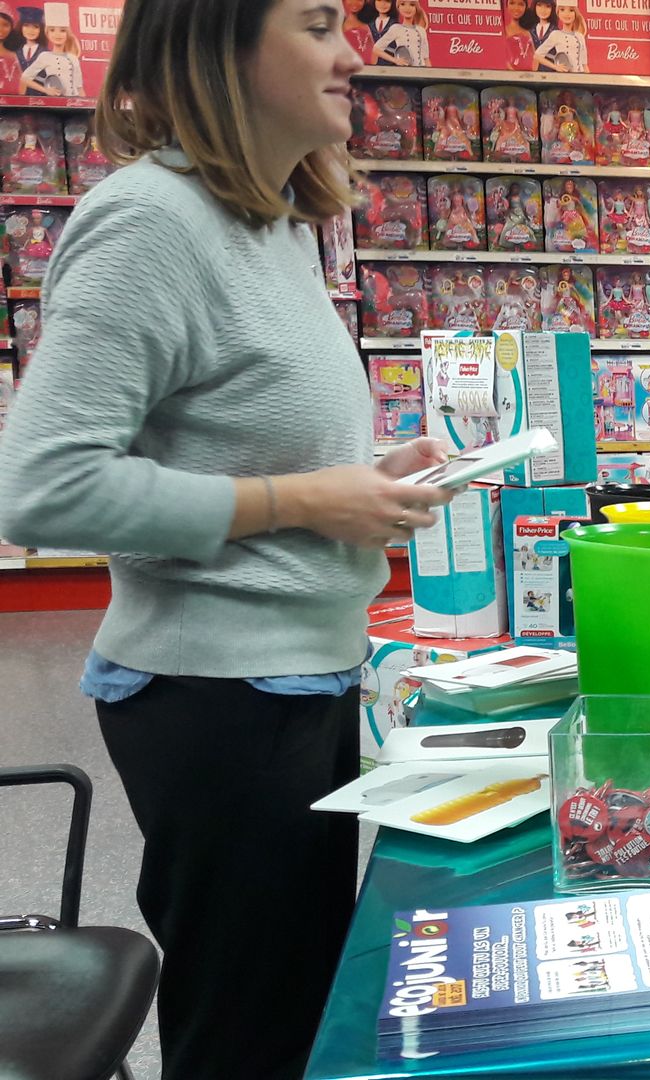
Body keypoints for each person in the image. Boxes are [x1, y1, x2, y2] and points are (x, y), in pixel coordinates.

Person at [0, 2, 456, 1076]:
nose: (355, 55)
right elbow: (41, 484)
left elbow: (243, 434)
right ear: (219, 46)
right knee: (250, 1033)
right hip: (219, 706)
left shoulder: (272, 226)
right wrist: (303, 502)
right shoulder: (152, 221)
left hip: (298, 684)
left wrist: (365, 478)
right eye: (316, 26)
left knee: (297, 1007)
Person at [20, 0, 80, 96]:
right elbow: (25, 78)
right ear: (47, 33)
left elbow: (79, 88)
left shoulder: (73, 58)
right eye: (52, 30)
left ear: (67, 33)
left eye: (62, 30)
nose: (57, 34)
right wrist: (46, 90)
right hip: (55, 103)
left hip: (75, 105)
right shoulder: (45, 56)